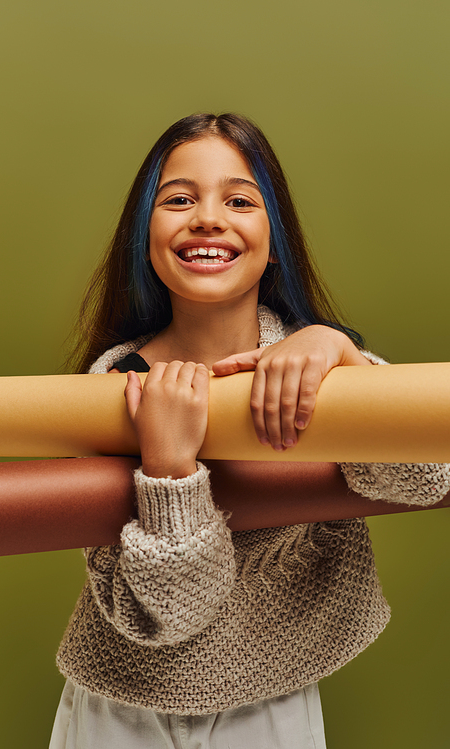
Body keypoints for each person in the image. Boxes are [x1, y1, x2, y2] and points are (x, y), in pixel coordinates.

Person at [50, 113, 450, 748]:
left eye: (239, 200)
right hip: (119, 707)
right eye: (178, 199)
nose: (208, 217)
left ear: (274, 235)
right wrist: (170, 470)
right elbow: (172, 614)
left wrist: (345, 359)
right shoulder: (111, 386)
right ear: (144, 234)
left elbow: (425, 478)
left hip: (273, 698)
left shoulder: (320, 361)